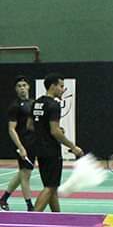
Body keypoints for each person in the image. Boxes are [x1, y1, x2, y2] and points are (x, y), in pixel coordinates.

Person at [31, 73, 83, 213]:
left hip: (40, 150)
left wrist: (48, 130)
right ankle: (32, 218)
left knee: (51, 186)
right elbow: (55, 132)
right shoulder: (54, 105)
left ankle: (57, 217)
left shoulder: (37, 103)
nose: (63, 89)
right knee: (50, 187)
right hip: (51, 150)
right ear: (52, 86)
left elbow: (30, 126)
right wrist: (73, 147)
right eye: (61, 86)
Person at [0, 76, 36, 211]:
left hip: (33, 143)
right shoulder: (15, 106)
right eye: (19, 86)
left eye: (24, 85)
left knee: (23, 173)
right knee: (25, 175)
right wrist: (21, 147)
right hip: (23, 143)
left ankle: (4, 198)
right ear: (16, 89)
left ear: (28, 87)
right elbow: (11, 129)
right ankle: (30, 206)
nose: (22, 88)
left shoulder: (33, 103)